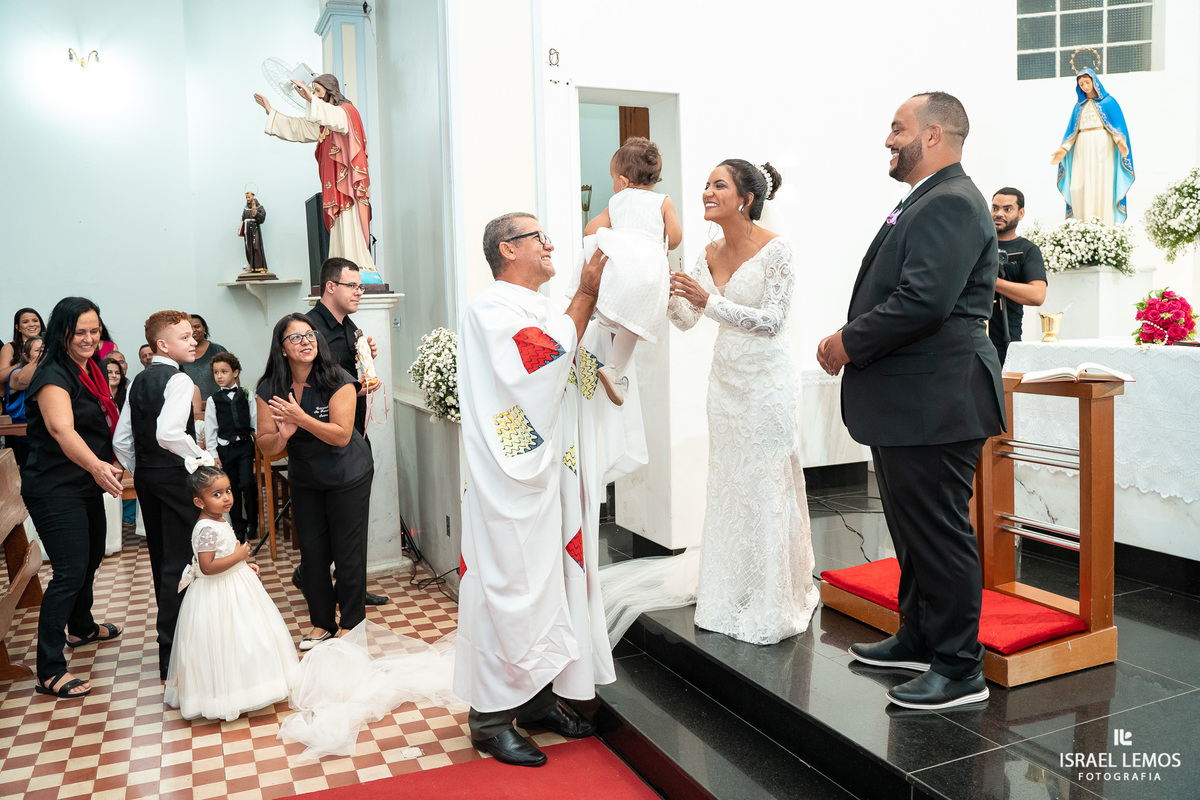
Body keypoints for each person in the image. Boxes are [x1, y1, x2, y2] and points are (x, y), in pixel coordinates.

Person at [816, 91, 1005, 710]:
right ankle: (921, 636)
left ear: (932, 135)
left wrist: (849, 341)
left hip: (937, 395)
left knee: (939, 533)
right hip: (914, 397)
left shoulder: (951, 201)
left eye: (897, 128)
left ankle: (959, 669)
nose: (888, 139)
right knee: (912, 529)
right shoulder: (928, 198)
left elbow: (924, 301)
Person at [456, 212, 646, 768]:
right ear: (507, 249)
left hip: (552, 466)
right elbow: (541, 359)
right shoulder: (489, 308)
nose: (549, 244)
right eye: (538, 237)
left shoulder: (538, 307)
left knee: (553, 584)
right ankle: (489, 720)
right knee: (511, 584)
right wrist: (586, 292)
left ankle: (537, 699)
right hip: (511, 469)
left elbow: (575, 362)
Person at [662, 159, 819, 645]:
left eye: (719, 185)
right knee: (730, 483)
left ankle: (776, 596)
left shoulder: (778, 250)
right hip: (726, 383)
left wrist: (709, 303)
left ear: (746, 199)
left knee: (766, 482)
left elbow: (773, 320)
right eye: (707, 184)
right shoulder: (707, 252)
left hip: (767, 383)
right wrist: (662, 284)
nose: (707, 192)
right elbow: (685, 319)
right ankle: (730, 591)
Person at [21, 297, 124, 698]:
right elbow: (63, 430)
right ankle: (49, 668)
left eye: (94, 330)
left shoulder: (90, 369)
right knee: (68, 571)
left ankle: (80, 628)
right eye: (79, 331)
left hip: (80, 484)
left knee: (92, 554)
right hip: (53, 486)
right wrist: (98, 466)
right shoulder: (52, 376)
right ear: (61, 332)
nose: (88, 337)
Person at [255, 313, 373, 651]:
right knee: (313, 552)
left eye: (310, 335)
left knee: (347, 552)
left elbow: (340, 436)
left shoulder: (339, 379)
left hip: (347, 472)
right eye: (295, 338)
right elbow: (265, 445)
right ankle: (322, 623)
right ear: (282, 348)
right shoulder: (269, 387)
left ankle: (352, 624)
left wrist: (301, 420)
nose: (306, 342)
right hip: (306, 476)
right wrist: (283, 436)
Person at [113, 310, 210, 680]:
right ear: (162, 344)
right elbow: (169, 433)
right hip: (174, 477)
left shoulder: (138, 380)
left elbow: (122, 440)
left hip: (149, 480)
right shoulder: (179, 380)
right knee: (186, 559)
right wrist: (199, 458)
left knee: (162, 560)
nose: (193, 341)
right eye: (185, 337)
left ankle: (169, 649)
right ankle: (182, 649)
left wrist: (142, 471)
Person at [164, 465, 296, 721]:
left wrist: (242, 563)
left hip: (234, 584)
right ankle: (225, 696)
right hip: (216, 594)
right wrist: (239, 555)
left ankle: (251, 686)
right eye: (216, 494)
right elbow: (208, 566)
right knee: (224, 641)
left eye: (228, 491)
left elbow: (225, 556)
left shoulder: (219, 520)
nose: (226, 497)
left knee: (249, 636)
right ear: (198, 501)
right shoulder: (205, 529)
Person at [294, 257, 387, 606]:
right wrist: (356, 390)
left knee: (353, 521)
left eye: (360, 286)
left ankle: (351, 587)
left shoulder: (348, 326)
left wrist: (365, 355)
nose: (359, 292)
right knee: (329, 523)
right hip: (324, 439)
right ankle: (314, 575)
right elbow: (309, 383)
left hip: (353, 435)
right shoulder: (308, 329)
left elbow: (348, 371)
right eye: (353, 285)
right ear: (330, 287)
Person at [580, 137, 682, 405]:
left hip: (622, 266)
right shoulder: (663, 201)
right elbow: (676, 236)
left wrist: (618, 235)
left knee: (619, 312)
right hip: (646, 266)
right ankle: (614, 369)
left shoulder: (617, 201)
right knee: (634, 321)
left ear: (623, 181)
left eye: (613, 178)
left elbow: (591, 230)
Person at [254, 75, 380, 282]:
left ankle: (359, 265)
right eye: (314, 92)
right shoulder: (326, 121)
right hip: (333, 186)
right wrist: (271, 112)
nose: (315, 96)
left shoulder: (347, 112)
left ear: (331, 91)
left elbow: (334, 117)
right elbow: (300, 128)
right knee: (339, 229)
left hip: (347, 186)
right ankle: (339, 270)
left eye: (318, 91)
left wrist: (310, 100)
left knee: (349, 225)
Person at [1051, 68, 1135, 226]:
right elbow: (1072, 132)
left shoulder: (1109, 102)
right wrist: (1063, 150)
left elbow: (1117, 127)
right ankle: (1082, 225)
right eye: (1081, 84)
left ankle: (1102, 225)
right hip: (1081, 148)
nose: (1084, 86)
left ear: (1094, 81)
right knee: (1077, 186)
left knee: (1101, 184)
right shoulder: (1078, 106)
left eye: (1087, 82)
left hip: (1102, 148)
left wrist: (1121, 142)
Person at [989, 188, 1048, 366]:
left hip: (1007, 342)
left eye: (1007, 209)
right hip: (970, 341)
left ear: (1020, 213)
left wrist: (992, 281)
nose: (999, 214)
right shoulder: (976, 244)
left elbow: (1037, 295)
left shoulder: (1028, 250)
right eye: (995, 208)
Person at [204, 352, 258, 542]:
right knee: (231, 488)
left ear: (235, 373)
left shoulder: (247, 394)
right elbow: (211, 429)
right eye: (216, 372)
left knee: (247, 483)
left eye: (224, 371)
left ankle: (253, 521)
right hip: (225, 449)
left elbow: (255, 421)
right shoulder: (213, 401)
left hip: (245, 446)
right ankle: (238, 526)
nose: (219, 376)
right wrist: (213, 454)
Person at [4, 336, 43, 467]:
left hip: (47, 436)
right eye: (38, 350)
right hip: (25, 437)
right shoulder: (17, 373)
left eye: (45, 350)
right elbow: (23, 380)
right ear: (26, 357)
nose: (43, 354)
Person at [180, 314, 226, 402]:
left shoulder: (218, 350)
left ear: (204, 328)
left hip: (217, 404)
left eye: (197, 326)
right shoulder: (180, 353)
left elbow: (232, 377)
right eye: (190, 327)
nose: (193, 330)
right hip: (188, 405)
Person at [0, 307, 45, 387]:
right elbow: (1, 376)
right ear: (17, 327)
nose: (31, 324)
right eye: (25, 322)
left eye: (35, 321)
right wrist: (24, 363)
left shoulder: (50, 344)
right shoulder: (10, 347)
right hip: (20, 396)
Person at [239, 189, 269, 274]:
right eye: (246, 197)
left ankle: (261, 267)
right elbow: (243, 217)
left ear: (253, 195)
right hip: (247, 229)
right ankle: (252, 266)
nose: (247, 198)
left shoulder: (259, 207)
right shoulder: (245, 208)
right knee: (249, 248)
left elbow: (262, 217)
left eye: (249, 197)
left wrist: (256, 213)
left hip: (254, 228)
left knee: (256, 247)